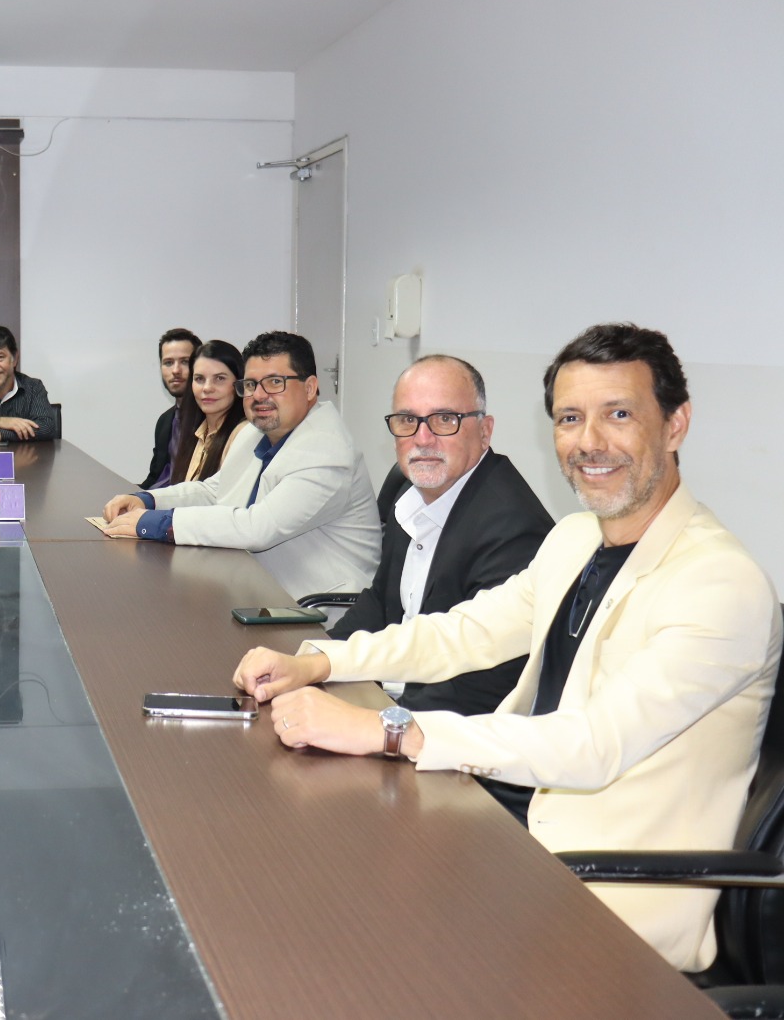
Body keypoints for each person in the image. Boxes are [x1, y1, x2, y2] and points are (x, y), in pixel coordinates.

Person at [232, 323, 780, 973]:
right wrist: (318, 662)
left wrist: (387, 730)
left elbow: (593, 744)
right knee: (310, 874)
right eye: (570, 418)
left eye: (619, 414)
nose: (590, 441)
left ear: (675, 424)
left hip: (610, 903)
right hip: (520, 832)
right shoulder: (577, 538)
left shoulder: (720, 583)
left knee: (356, 935)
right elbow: (465, 631)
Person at [328, 355, 553, 716]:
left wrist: (375, 724)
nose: (423, 438)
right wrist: (317, 660)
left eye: (445, 419)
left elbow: (478, 683)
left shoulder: (513, 527)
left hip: (440, 726)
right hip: (386, 697)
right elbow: (379, 602)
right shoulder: (413, 493)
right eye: (408, 420)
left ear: (485, 431)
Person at [99, 330, 379, 600]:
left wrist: (159, 524)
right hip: (253, 587)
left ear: (309, 388)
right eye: (251, 384)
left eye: (275, 382)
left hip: (313, 607)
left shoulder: (326, 450)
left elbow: (258, 527)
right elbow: (214, 490)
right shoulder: (254, 433)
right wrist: (148, 500)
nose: (259, 395)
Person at [167, 339, 250, 484]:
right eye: (199, 379)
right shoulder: (196, 430)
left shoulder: (244, 433)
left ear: (239, 383)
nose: (207, 388)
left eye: (219, 378)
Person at [140, 328, 201, 489]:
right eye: (168, 363)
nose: (175, 370)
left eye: (185, 362)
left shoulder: (212, 420)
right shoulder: (165, 421)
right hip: (156, 499)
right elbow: (154, 478)